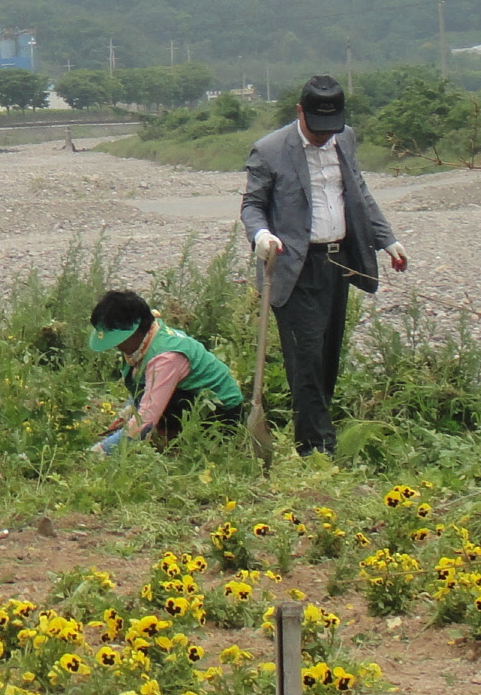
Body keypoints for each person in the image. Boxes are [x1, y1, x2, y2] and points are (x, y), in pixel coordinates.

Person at [239, 75, 407, 456]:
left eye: (330, 128)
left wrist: (388, 240)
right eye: (317, 128)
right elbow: (252, 205)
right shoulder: (269, 150)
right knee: (306, 358)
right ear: (301, 111)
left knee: (328, 354)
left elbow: (360, 192)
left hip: (339, 263)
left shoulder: (344, 138)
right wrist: (262, 235)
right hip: (294, 267)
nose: (324, 136)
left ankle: (314, 434)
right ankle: (317, 448)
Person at [85, 290, 243, 452]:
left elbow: (145, 419)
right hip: (188, 397)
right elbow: (142, 387)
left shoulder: (166, 358)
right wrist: (126, 414)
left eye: (118, 339)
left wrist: (100, 451)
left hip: (218, 414)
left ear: (134, 332)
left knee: (149, 425)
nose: (116, 346)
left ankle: (179, 444)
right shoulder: (148, 337)